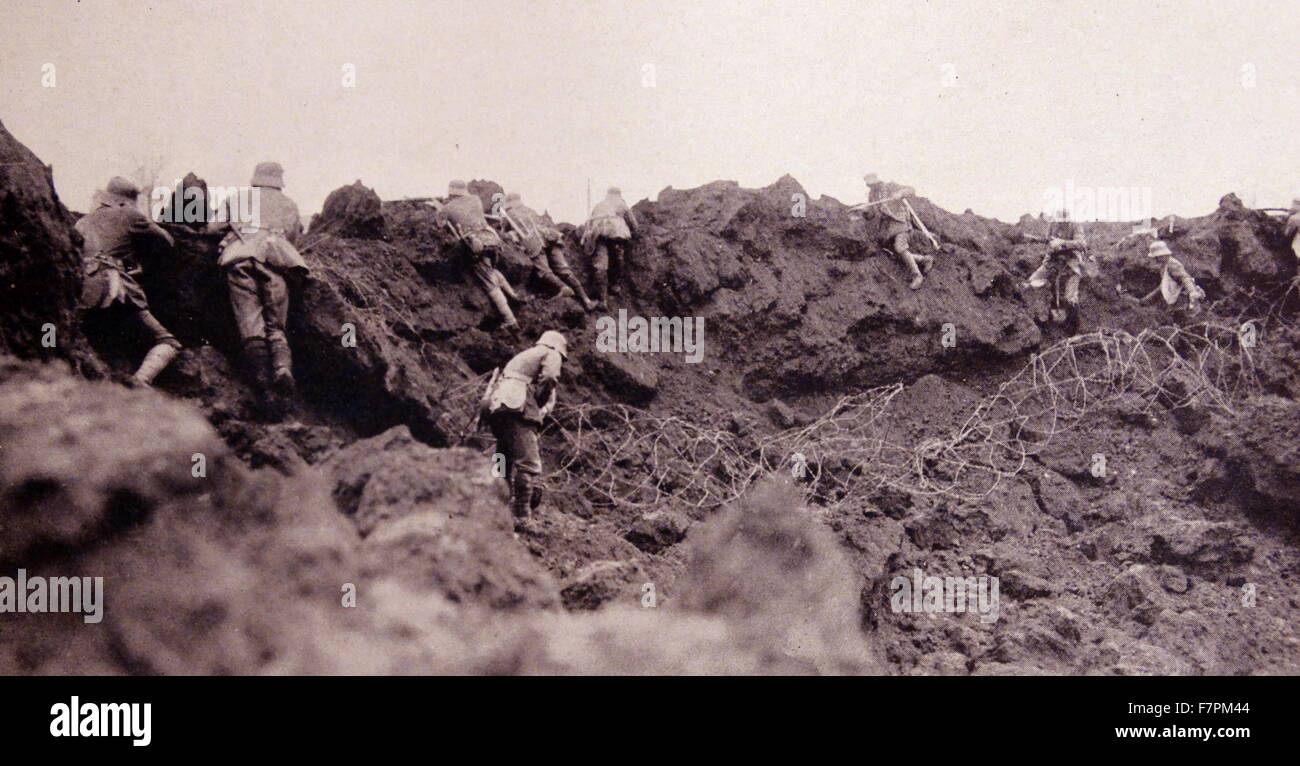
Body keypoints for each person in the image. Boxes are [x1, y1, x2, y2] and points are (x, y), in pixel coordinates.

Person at [209, 161, 309, 404]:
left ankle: (262, 381)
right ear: (278, 180)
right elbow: (294, 239)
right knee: (276, 324)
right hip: (275, 260)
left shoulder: (238, 198)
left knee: (250, 320)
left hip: (240, 257)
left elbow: (212, 228)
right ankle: (282, 367)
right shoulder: (289, 204)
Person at [75, 176, 182, 387]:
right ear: (126, 201)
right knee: (168, 342)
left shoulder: (82, 222)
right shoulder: (129, 214)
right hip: (113, 285)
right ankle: (139, 383)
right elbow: (166, 240)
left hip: (82, 288)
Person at [481, 330, 567, 521]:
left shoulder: (524, 356)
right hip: (517, 406)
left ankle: (496, 507)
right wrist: (537, 402)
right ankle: (522, 516)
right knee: (528, 463)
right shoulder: (551, 353)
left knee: (503, 456)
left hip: (499, 406)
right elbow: (550, 378)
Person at [435, 180, 521, 329]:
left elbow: (440, 225)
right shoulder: (475, 199)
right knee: (490, 270)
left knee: (488, 282)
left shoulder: (447, 208)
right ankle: (513, 295)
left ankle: (510, 320)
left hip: (476, 245)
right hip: (492, 239)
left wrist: (439, 208)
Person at [500, 192, 597, 311]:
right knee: (564, 270)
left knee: (544, 271)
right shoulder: (529, 210)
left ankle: (563, 287)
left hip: (533, 242)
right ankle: (587, 300)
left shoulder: (508, 214)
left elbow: (503, 233)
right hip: (550, 236)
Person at [858, 173, 933, 289]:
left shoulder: (890, 186)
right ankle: (924, 259)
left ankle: (917, 276)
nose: (872, 187)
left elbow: (911, 189)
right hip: (887, 227)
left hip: (900, 221)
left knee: (900, 247)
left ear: (878, 182)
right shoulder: (872, 195)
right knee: (896, 253)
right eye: (870, 185)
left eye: (873, 184)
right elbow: (872, 213)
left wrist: (900, 193)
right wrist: (866, 212)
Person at [1024, 208, 1089, 321]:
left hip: (1071, 260)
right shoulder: (1053, 225)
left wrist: (1063, 243)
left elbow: (1082, 244)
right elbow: (1048, 241)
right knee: (1031, 282)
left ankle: (1073, 321)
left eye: (1064, 221)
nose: (1061, 223)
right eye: (1059, 221)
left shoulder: (1075, 226)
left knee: (1070, 299)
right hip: (1053, 259)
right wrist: (1052, 245)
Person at [581, 187, 639, 308]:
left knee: (600, 266)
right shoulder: (621, 204)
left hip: (598, 235)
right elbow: (633, 224)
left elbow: (590, 224)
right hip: (615, 235)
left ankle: (603, 300)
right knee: (617, 259)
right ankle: (614, 285)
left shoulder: (599, 205)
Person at [1138, 239, 1204, 313]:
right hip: (1175, 298)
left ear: (1162, 255)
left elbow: (1185, 278)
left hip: (1183, 300)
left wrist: (1192, 292)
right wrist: (1146, 299)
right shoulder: (1164, 266)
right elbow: (1164, 286)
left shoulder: (1173, 265)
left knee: (1181, 318)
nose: (1155, 260)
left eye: (1156, 257)